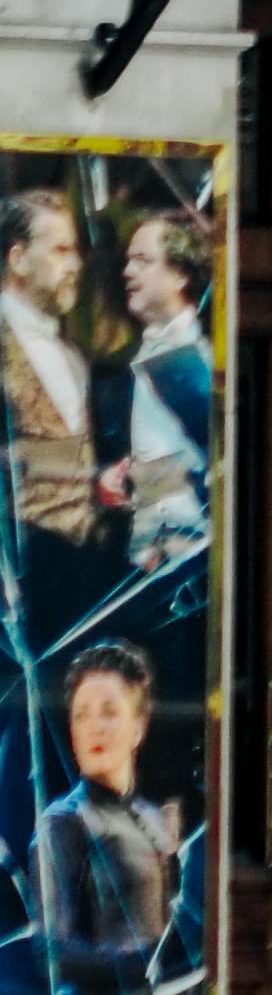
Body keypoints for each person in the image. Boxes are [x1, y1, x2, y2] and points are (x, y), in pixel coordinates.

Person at [34, 641, 183, 995]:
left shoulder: (154, 818)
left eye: (109, 713)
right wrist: (148, 959)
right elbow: (54, 953)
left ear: (138, 726)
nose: (94, 727)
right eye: (81, 715)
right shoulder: (63, 822)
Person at [0, 193, 112, 659]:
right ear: (19, 258)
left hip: (83, 586)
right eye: (61, 250)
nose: (76, 265)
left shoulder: (72, 356)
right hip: (15, 584)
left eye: (77, 252)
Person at [102, 219, 212, 575]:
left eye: (143, 260)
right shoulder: (146, 355)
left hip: (189, 561)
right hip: (154, 558)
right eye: (128, 260)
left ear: (180, 275)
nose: (127, 271)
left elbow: (216, 471)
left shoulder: (194, 359)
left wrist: (142, 479)